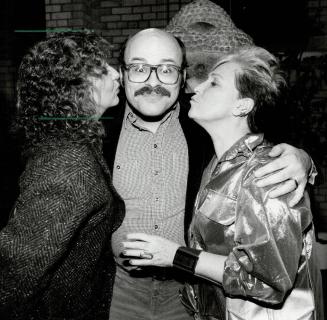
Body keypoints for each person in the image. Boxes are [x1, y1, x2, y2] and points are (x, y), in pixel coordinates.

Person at [103, 28, 315, 320]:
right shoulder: (95, 135)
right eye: (139, 68)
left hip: (192, 294)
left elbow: (257, 145)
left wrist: (302, 159)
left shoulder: (202, 128)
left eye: (166, 69)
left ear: (181, 76)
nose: (153, 81)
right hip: (117, 292)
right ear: (122, 73)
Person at [0, 32, 125, 319]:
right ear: (73, 87)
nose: (116, 74)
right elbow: (17, 272)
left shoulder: (71, 141)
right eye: (101, 68)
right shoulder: (69, 165)